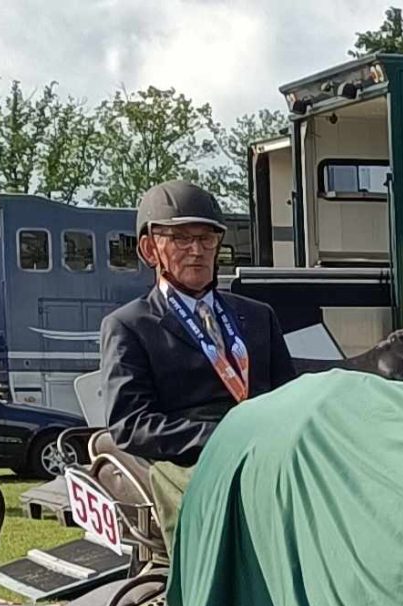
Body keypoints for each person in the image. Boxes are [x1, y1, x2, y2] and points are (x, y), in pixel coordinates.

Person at [94, 179, 296, 539]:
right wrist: (221, 438)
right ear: (149, 249)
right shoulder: (129, 325)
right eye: (181, 239)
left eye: (207, 239)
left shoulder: (258, 316)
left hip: (266, 450)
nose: (197, 250)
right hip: (190, 458)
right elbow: (130, 425)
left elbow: (289, 396)